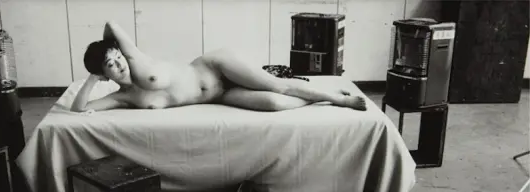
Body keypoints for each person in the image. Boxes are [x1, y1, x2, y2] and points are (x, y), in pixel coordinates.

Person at [70, 21, 367, 114]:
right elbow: (79, 108)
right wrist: (92, 77)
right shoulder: (122, 98)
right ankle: (321, 95)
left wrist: (108, 48)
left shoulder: (135, 59)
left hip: (215, 68)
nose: (118, 63)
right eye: (110, 65)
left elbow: (111, 24)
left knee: (278, 86)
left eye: (117, 56)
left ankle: (339, 99)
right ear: (104, 74)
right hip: (218, 95)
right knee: (275, 104)